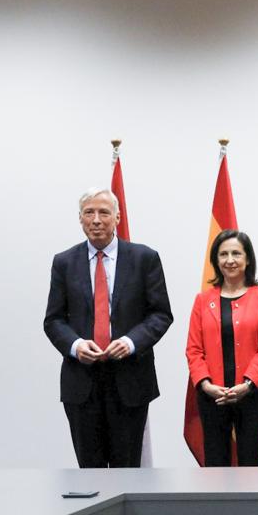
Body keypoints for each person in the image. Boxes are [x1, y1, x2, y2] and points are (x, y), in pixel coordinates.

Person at [44, 188, 173, 468]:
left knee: (126, 470)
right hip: (81, 382)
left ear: (117, 217)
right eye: (89, 212)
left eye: (103, 212)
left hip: (129, 380)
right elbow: (53, 320)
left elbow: (161, 314)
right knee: (89, 471)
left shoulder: (144, 258)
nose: (96, 219)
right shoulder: (64, 262)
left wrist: (131, 341)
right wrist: (76, 346)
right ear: (80, 219)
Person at [185, 230, 258, 467]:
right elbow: (194, 349)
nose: (230, 260)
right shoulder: (203, 300)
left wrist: (247, 385)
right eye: (223, 254)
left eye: (236, 253)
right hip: (212, 395)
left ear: (248, 259)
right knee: (215, 462)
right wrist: (206, 385)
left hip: (252, 394)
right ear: (216, 260)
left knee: (252, 461)